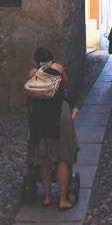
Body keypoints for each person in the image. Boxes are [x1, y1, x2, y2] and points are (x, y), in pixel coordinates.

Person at [26, 46, 79, 209]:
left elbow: (26, 97)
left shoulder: (32, 74)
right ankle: (63, 200)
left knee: (44, 158)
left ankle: (47, 197)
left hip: (40, 116)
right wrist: (74, 108)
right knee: (63, 157)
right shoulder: (59, 69)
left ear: (36, 60)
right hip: (60, 114)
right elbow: (67, 89)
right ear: (52, 58)